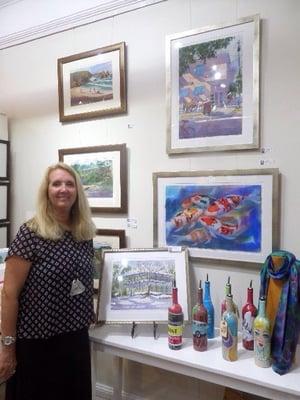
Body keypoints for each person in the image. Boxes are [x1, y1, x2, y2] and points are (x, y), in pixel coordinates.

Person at [0, 162, 96, 400]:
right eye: (56, 184)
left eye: (69, 184)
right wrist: (7, 346)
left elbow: (81, 284)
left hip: (75, 340)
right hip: (36, 344)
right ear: (47, 191)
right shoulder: (30, 233)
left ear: (77, 192)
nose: (63, 189)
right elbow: (9, 294)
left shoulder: (84, 233)